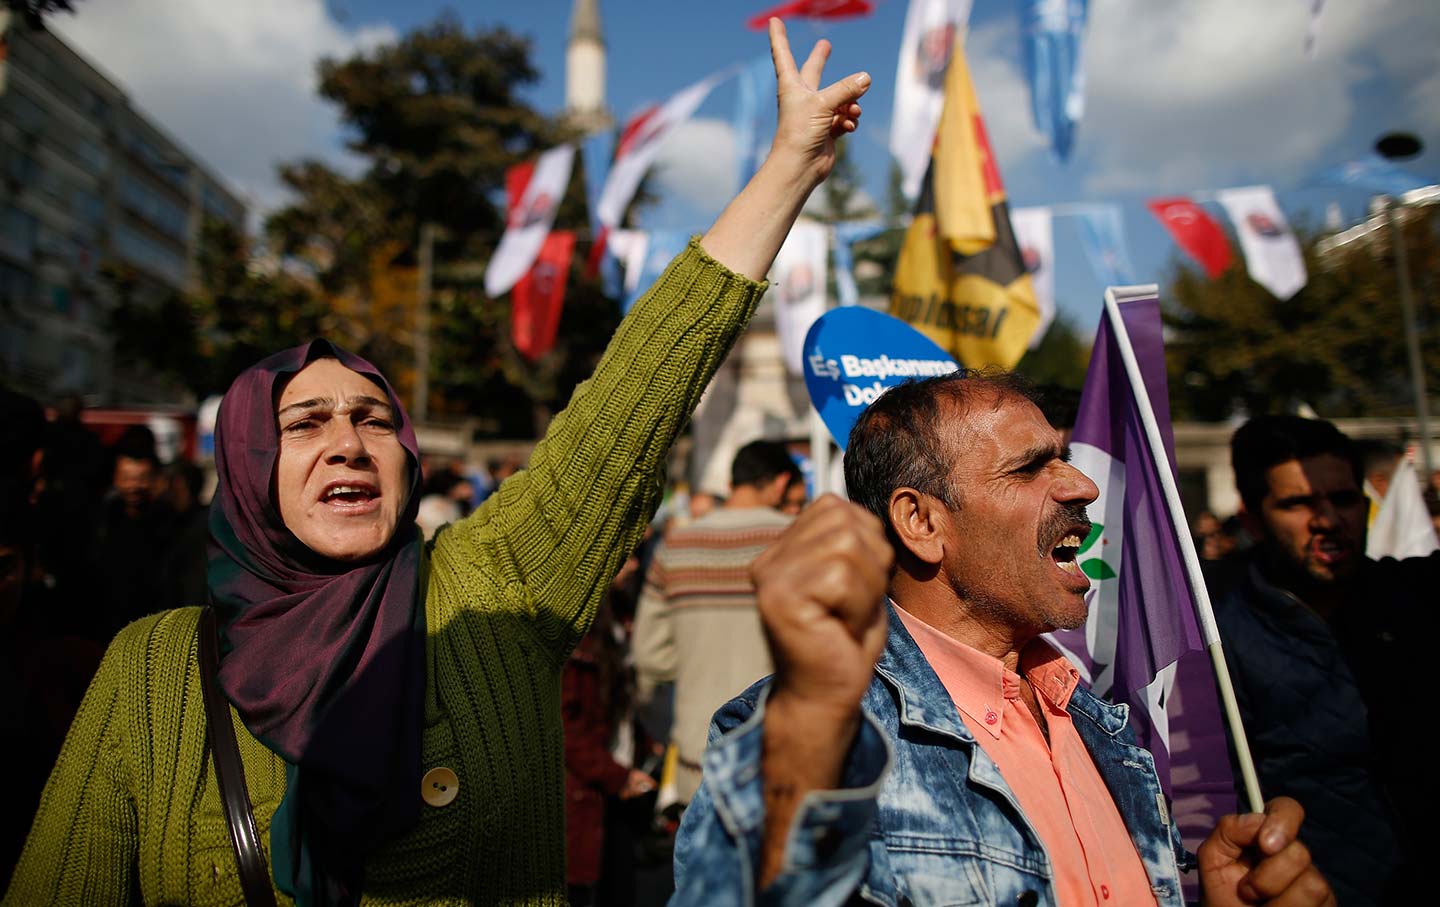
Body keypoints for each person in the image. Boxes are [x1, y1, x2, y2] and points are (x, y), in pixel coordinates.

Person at [5, 20, 871, 907]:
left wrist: (791, 164)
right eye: (304, 424)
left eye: (375, 418)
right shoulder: (152, 671)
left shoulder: (493, 583)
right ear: (249, 468)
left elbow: (630, 406)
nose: (348, 440)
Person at [672, 372, 1334, 907]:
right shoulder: (810, 735)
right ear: (922, 521)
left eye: (1066, 459)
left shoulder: (1100, 723)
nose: (1080, 485)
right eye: (1030, 467)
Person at [1213, 415, 1430, 906]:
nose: (1328, 520)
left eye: (1345, 499)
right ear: (1252, 521)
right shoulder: (1214, 638)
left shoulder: (1416, 603)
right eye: (1298, 503)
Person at [632, 439, 802, 805]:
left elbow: (648, 654)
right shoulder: (800, 541)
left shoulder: (675, 545)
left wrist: (700, 665)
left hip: (699, 751)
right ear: (780, 483)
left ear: (733, 483)